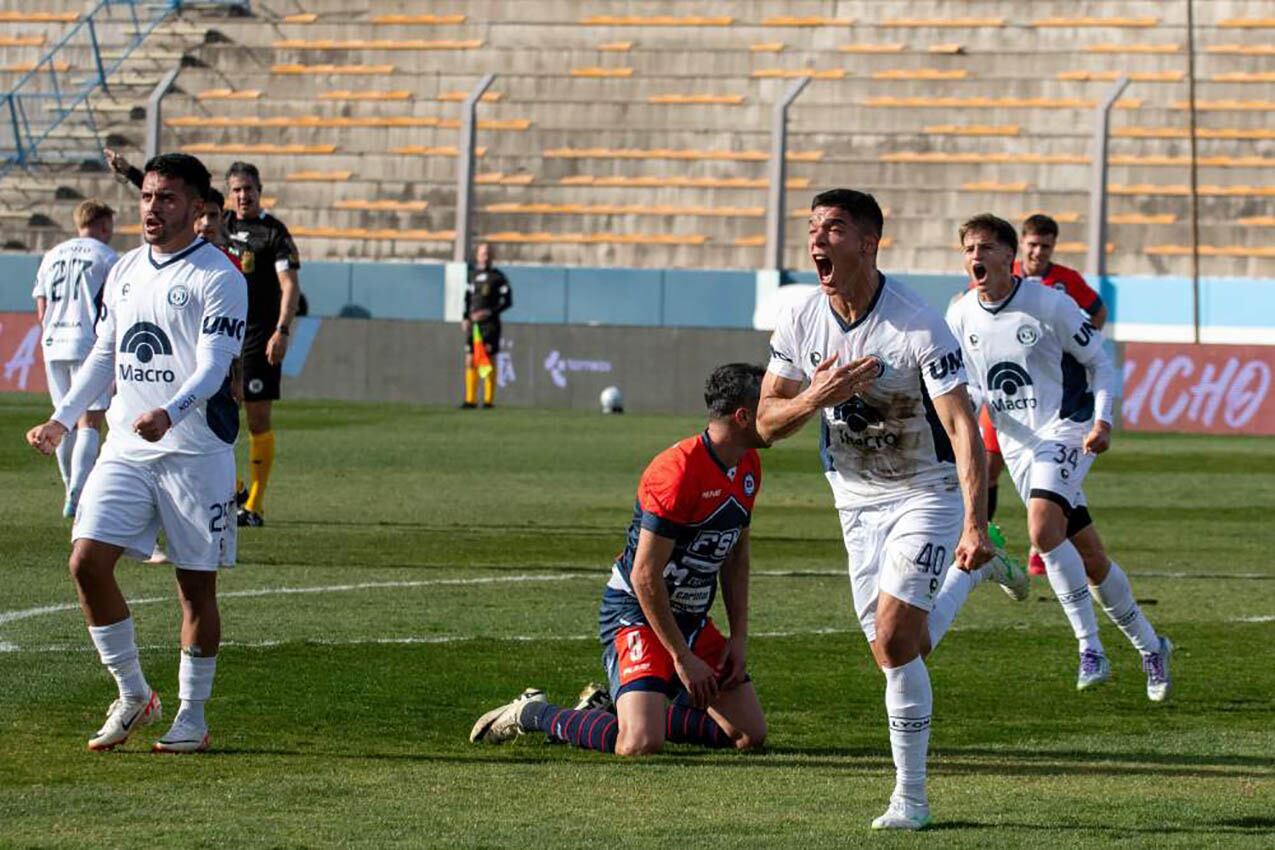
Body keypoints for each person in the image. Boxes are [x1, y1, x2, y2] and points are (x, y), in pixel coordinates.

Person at [757, 189, 1028, 831]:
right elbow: (766, 423)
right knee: (897, 646)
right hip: (854, 501)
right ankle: (975, 572)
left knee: (896, 638)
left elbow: (962, 429)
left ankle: (910, 800)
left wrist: (968, 518)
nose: (818, 240)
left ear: (869, 243)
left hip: (924, 494)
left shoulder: (915, 323)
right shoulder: (798, 317)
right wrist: (816, 396)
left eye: (835, 229)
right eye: (814, 228)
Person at [25, 152, 248, 753]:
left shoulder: (220, 276)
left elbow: (213, 367)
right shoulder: (122, 269)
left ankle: (192, 718)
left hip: (194, 453)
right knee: (85, 563)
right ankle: (132, 694)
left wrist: (170, 412)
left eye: (167, 198)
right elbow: (104, 354)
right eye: (147, 196)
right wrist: (62, 419)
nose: (153, 208)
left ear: (197, 208)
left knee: (195, 588)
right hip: (126, 446)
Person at [470, 363, 769, 756]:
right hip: (637, 612)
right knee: (640, 743)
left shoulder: (748, 465)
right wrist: (682, 657)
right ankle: (534, 714)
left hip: (691, 618)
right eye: (771, 403)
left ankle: (635, 707)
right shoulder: (677, 471)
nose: (781, 413)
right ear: (743, 416)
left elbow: (736, 558)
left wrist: (739, 639)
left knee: (750, 736)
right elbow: (645, 575)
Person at [946, 213, 1173, 700]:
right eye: (968, 249)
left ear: (1010, 256)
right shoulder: (961, 314)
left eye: (985, 248)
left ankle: (1090, 647)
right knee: (1091, 557)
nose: (975, 257)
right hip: (1018, 442)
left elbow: (1101, 362)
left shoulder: (1050, 304)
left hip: (1067, 428)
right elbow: (969, 388)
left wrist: (1103, 421)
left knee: (1041, 530)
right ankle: (1152, 646)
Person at [222, 161, 301, 527]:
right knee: (214, 416)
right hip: (222, 335)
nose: (242, 195)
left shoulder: (273, 233)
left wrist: (281, 331)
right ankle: (233, 487)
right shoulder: (219, 225)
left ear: (259, 189)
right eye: (236, 189)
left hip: (257, 339)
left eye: (248, 189)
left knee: (257, 419)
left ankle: (254, 503)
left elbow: (289, 284)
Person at [31, 200, 118, 517]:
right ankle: (77, 493)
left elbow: (40, 307)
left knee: (61, 417)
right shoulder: (107, 257)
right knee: (89, 420)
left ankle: (69, 484)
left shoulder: (52, 254)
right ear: (105, 224)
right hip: (88, 343)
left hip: (53, 342)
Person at [461, 242, 511, 409]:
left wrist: (490, 312)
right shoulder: (472, 276)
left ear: (492, 256)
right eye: (483, 253)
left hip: (490, 325)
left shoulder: (498, 277)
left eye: (488, 253)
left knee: (487, 360)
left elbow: (508, 301)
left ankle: (488, 401)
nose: (486, 256)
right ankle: (470, 400)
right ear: (477, 256)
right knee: (470, 359)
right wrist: (465, 317)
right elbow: (467, 298)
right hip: (474, 324)